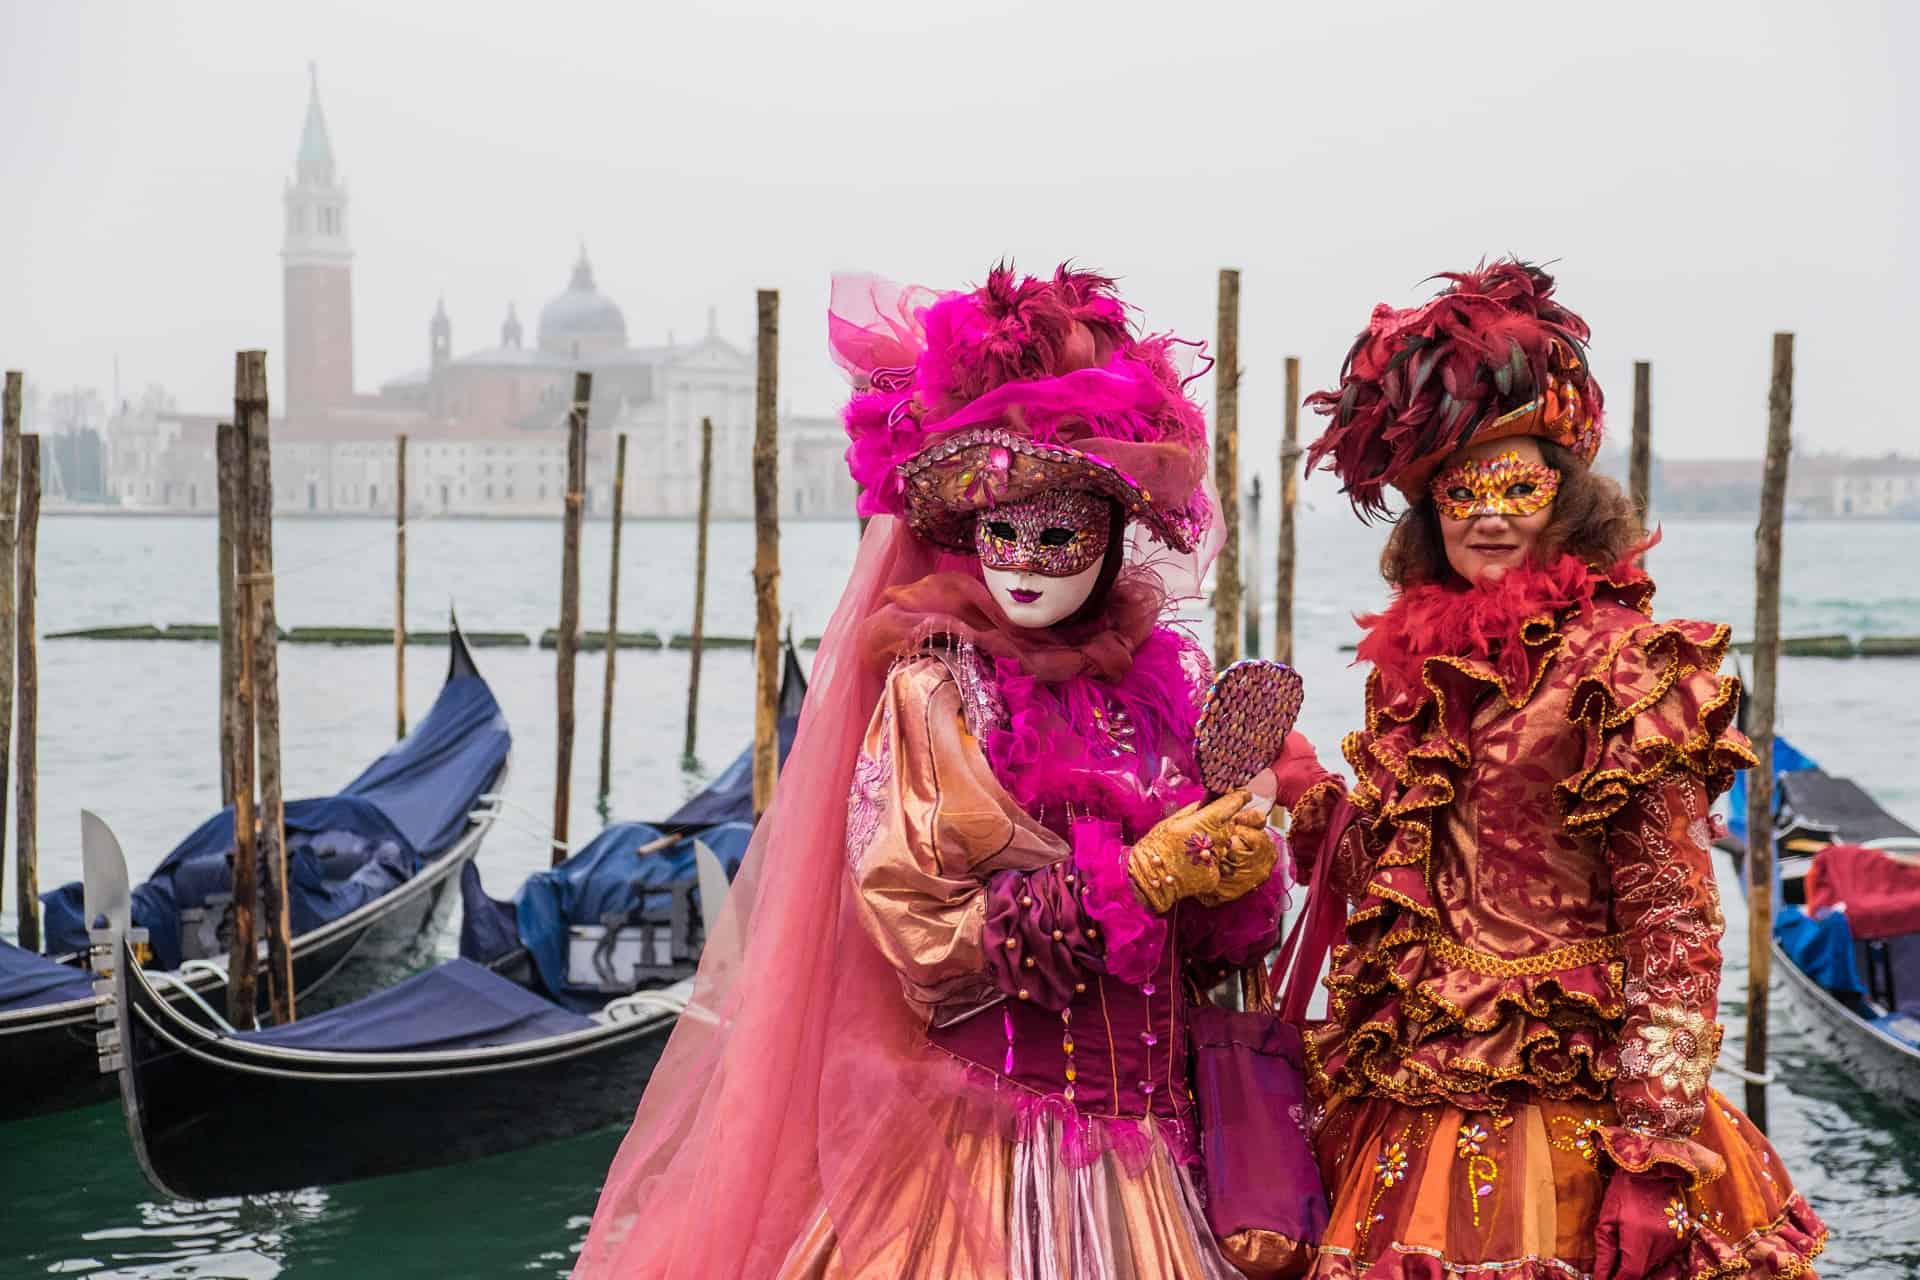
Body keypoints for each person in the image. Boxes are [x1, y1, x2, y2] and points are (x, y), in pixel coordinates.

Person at [575, 264, 1292, 1278]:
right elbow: (918, 931)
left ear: (1113, 533)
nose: (1027, 559)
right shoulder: (941, 693)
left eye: (1061, 532)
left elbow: (1202, 951)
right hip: (984, 1161)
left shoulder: (1164, 699)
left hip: (1156, 1163)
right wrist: (1136, 878)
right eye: (1004, 528)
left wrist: (1236, 872)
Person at [1265, 261, 1828, 1279]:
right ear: (1427, 510)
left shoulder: (1623, 667)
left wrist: (1653, 1157)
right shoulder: (1411, 679)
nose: (1487, 513)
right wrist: (1315, 804)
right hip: (1415, 1098)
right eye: (1459, 489)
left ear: (1566, 497)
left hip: (1581, 1107)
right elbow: (1403, 897)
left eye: (1516, 484)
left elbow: (1674, 922)